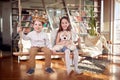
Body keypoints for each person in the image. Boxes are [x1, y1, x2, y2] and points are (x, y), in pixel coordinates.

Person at [17, 10, 54, 75]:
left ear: (42, 26)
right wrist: (21, 32)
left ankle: (48, 67)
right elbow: (25, 38)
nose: (37, 26)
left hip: (43, 46)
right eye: (36, 24)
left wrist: (50, 48)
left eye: (39, 25)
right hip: (34, 47)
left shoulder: (44, 34)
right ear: (33, 26)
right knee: (31, 52)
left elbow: (48, 42)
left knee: (48, 52)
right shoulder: (31, 33)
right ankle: (32, 68)